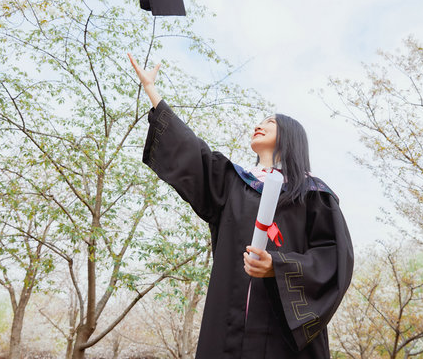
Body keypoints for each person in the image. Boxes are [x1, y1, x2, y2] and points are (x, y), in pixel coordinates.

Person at [128, 53, 354, 359]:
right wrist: (152, 91)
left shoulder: (313, 194)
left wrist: (278, 266)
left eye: (270, 123)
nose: (259, 126)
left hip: (282, 339)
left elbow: (333, 258)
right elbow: (193, 152)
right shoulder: (234, 181)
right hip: (228, 329)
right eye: (259, 122)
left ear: (291, 138)